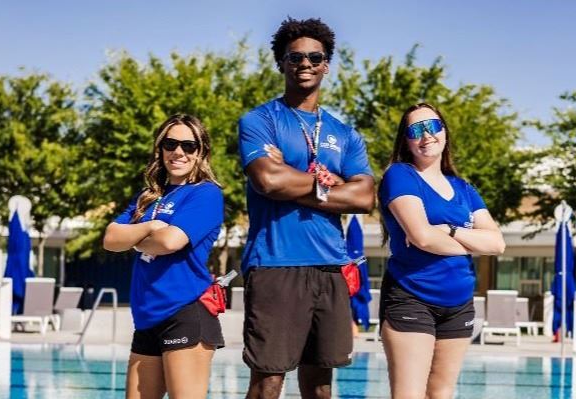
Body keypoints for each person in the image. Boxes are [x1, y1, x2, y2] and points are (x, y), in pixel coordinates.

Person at [237, 17, 375, 399]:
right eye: (295, 57)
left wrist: (291, 180)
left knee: (320, 384)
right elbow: (268, 180)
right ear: (281, 63)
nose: (305, 63)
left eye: (315, 56)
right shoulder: (260, 120)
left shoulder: (345, 134)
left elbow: (365, 198)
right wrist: (332, 186)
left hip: (330, 265)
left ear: (327, 64)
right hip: (276, 264)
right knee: (268, 381)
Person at [378, 103, 506, 399]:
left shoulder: (463, 188)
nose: (426, 135)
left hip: (459, 302)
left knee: (441, 394)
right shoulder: (400, 175)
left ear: (445, 133)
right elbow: (422, 237)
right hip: (412, 296)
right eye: (416, 130)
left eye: (433, 127)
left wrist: (448, 230)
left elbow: (497, 243)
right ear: (406, 141)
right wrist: (472, 241)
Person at [103, 114, 225, 399]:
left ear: (201, 152)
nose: (178, 152)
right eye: (170, 144)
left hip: (185, 312)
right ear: (160, 149)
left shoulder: (205, 194)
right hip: (146, 318)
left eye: (188, 145)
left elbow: (171, 241)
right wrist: (149, 227)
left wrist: (132, 239)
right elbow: (110, 239)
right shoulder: (148, 197)